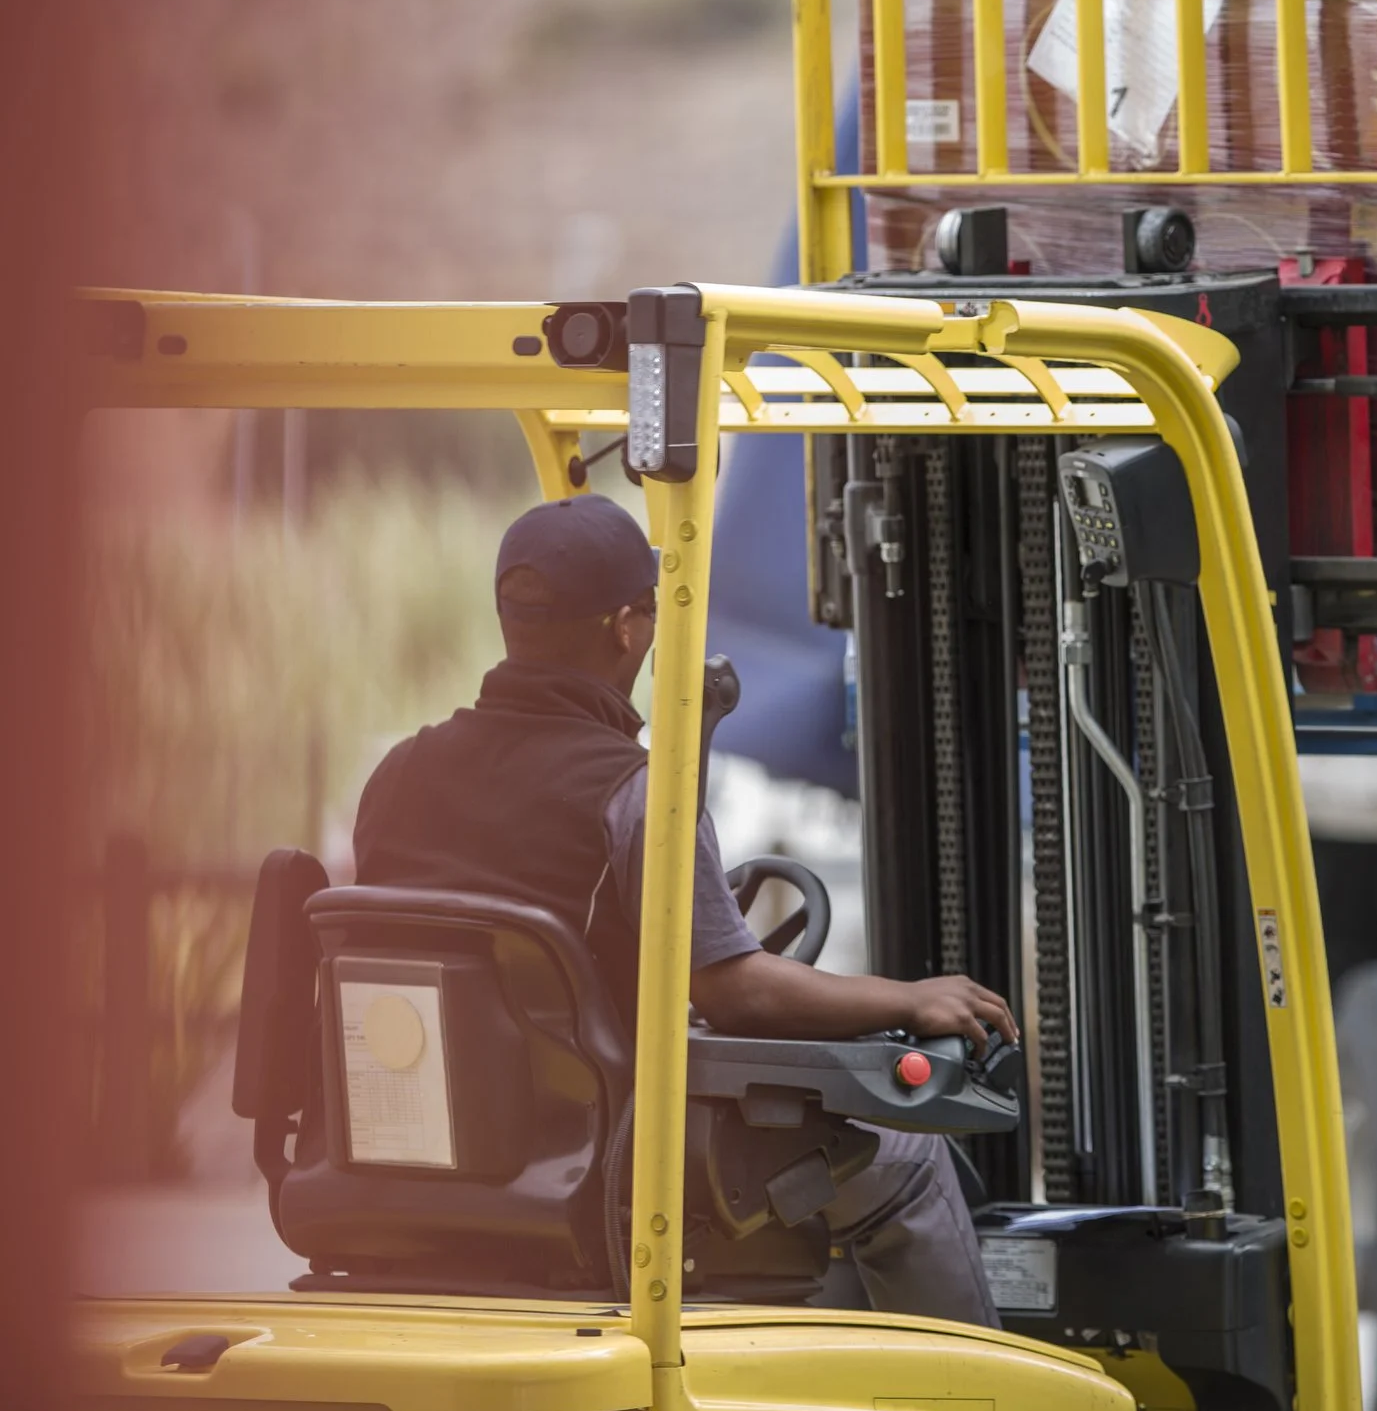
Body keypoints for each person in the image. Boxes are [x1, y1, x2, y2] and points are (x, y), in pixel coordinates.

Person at [352, 492, 1014, 1325]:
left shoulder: (398, 775)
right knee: (910, 1155)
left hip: (426, 1153)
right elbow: (736, 992)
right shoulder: (636, 795)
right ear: (628, 626)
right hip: (598, 1159)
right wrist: (911, 999)